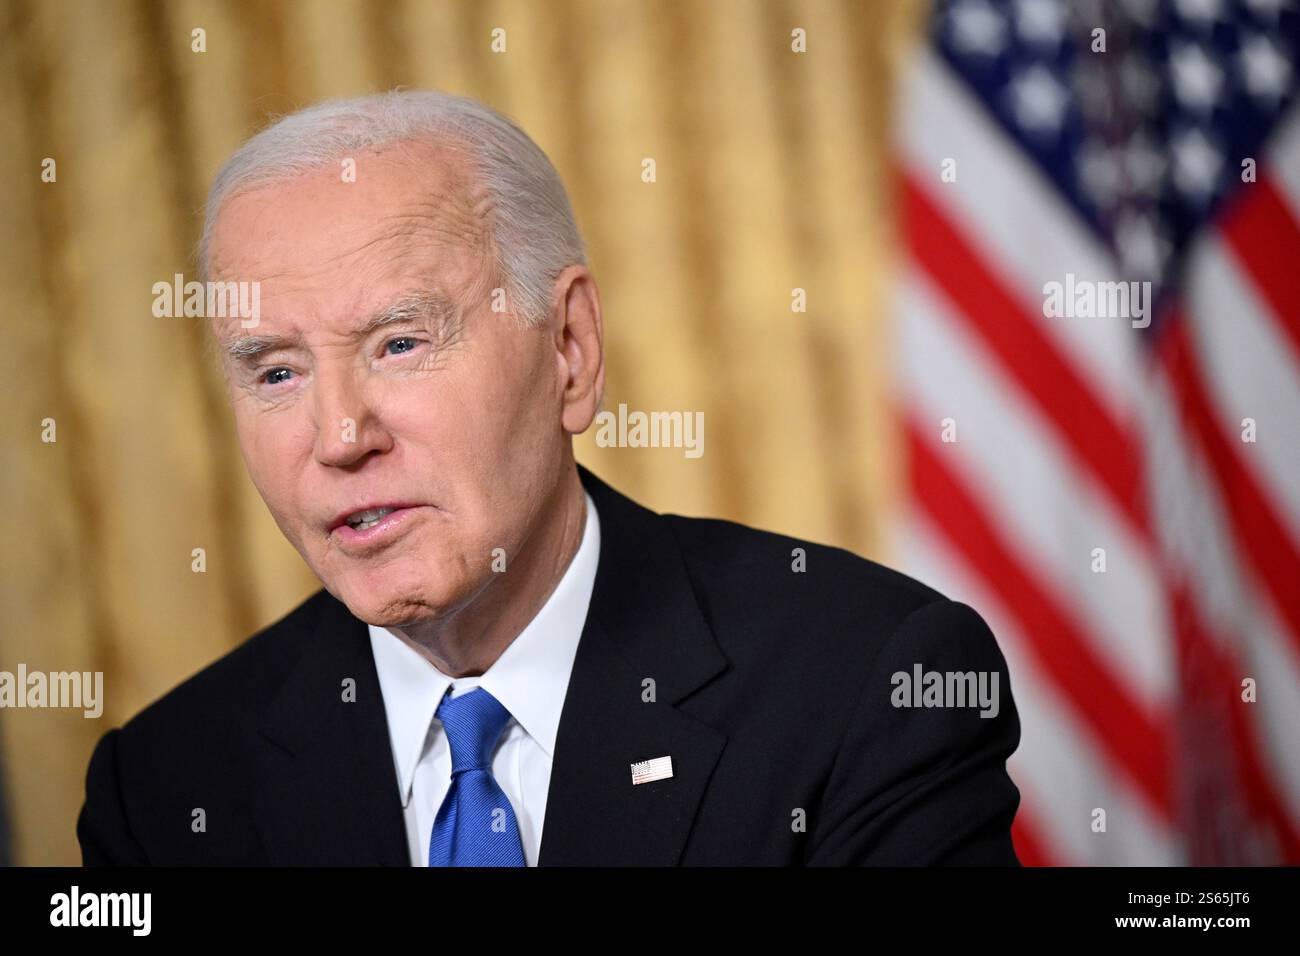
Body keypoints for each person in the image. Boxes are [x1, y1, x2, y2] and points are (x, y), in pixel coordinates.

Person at [78, 91, 1021, 866]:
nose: (339, 435)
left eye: (400, 343)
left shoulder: (869, 686)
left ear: (569, 350)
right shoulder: (164, 790)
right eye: (276, 372)